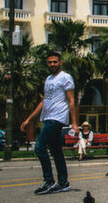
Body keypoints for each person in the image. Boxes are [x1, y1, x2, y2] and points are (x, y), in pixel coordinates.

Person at [21, 51, 78, 194]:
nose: (52, 64)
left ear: (60, 62)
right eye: (50, 62)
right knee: (56, 150)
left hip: (57, 118)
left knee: (39, 147)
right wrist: (29, 119)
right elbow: (44, 101)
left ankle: (49, 181)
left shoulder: (66, 77)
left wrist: (75, 123)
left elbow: (71, 101)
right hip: (48, 117)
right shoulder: (48, 79)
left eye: (55, 62)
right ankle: (63, 182)